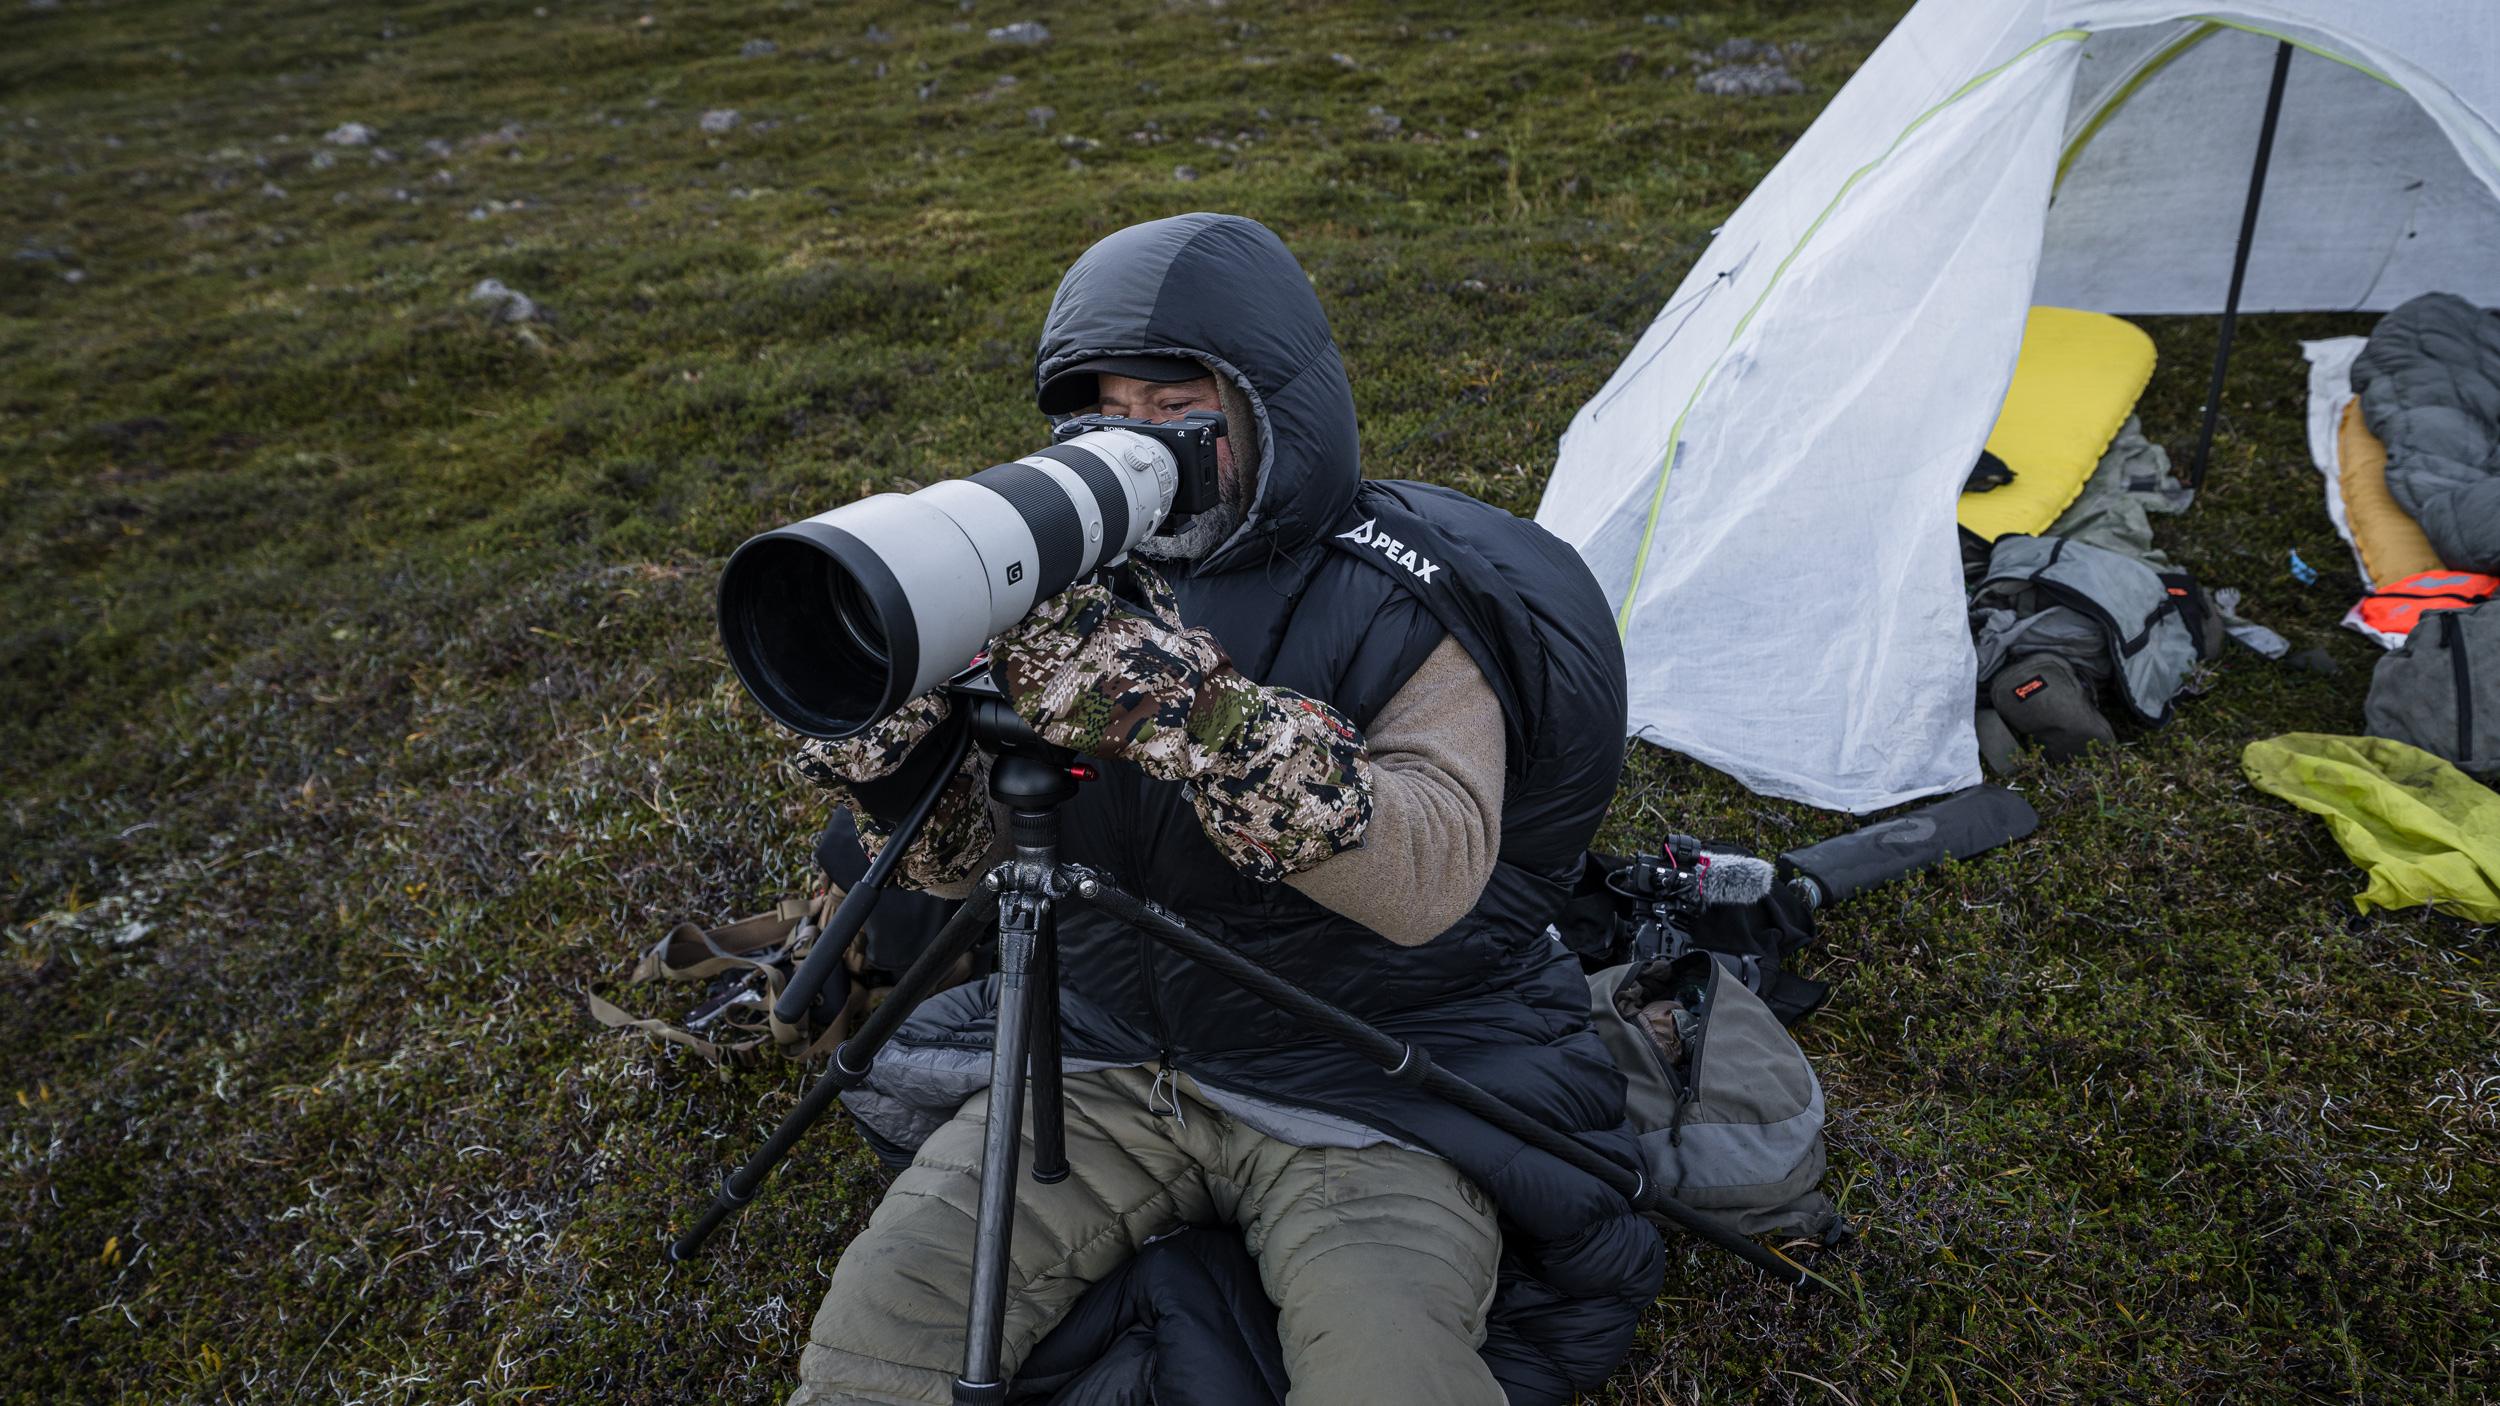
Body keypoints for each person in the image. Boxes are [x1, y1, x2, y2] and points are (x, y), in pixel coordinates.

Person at [782, 213, 1658, 1406]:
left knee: (1390, 1375)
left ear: (1269, 408)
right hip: (1097, 1059)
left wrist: (1196, 717)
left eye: (1174, 405)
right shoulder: (1056, 579)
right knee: (875, 1338)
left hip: (1371, 1080)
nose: (1137, 442)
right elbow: (960, 871)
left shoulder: (1406, 600)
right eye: (1106, 410)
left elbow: (1429, 877)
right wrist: (894, 762)